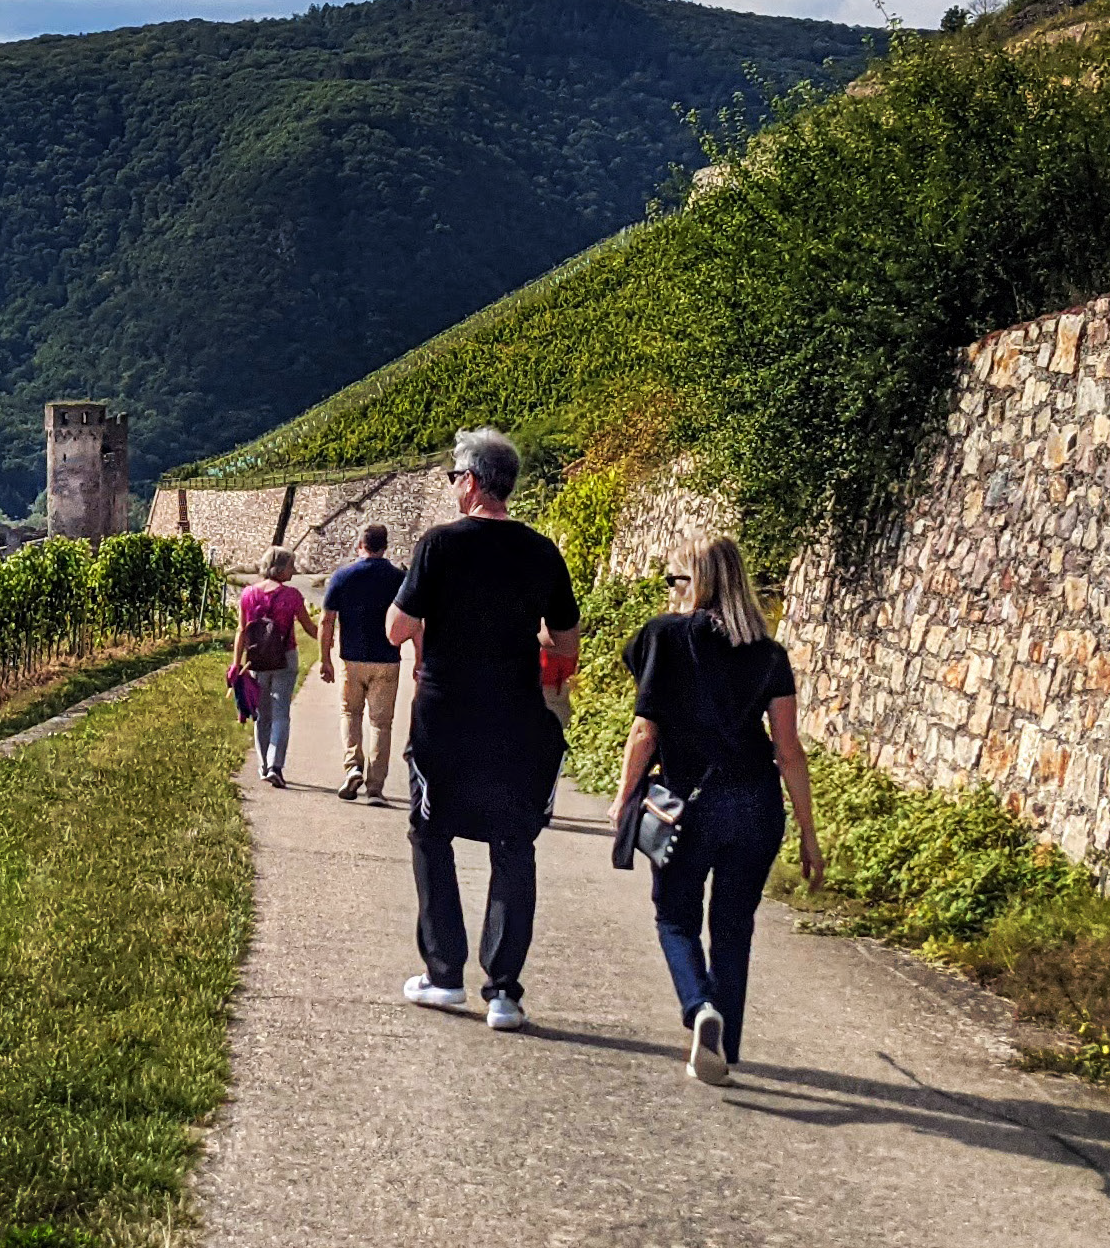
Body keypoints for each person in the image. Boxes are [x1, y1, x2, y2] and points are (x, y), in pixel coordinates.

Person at [382, 429, 580, 1032]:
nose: (451, 488)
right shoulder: (543, 551)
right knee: (513, 844)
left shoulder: (439, 545)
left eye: (452, 478)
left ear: (469, 482)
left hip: (445, 717)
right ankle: (504, 994)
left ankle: (444, 976)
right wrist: (523, 634)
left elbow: (396, 628)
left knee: (429, 833)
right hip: (514, 718)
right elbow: (565, 641)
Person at [611, 534, 822, 1088]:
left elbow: (645, 729)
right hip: (756, 805)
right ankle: (723, 1044)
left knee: (675, 917)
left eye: (673, 580)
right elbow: (788, 750)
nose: (669, 592)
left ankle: (700, 1008)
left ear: (694, 583)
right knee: (733, 927)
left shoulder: (664, 636)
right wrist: (808, 832)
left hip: (688, 806)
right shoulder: (769, 655)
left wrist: (624, 795)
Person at [321, 525, 406, 802]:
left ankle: (352, 767)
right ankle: (375, 788)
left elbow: (327, 620)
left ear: (360, 544)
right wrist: (420, 655)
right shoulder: (399, 579)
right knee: (381, 723)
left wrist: (325, 658)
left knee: (350, 713)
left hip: (352, 658)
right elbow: (415, 621)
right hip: (387, 659)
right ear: (385, 546)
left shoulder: (343, 576)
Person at [236, 547, 325, 788]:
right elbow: (308, 626)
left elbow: (242, 631)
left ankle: (264, 766)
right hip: (285, 658)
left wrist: (236, 665)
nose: (294, 571)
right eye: (291, 566)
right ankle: (276, 765)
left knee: (261, 715)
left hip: (257, 661)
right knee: (281, 713)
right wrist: (327, 642)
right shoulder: (292, 596)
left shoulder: (248, 594)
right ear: (280, 568)